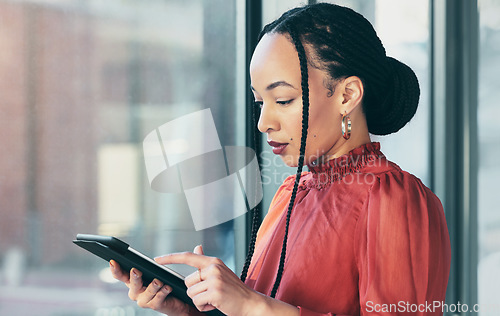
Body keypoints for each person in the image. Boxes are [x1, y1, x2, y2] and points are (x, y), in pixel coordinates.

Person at [110, 3, 451, 315]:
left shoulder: (394, 199)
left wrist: (253, 305)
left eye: (284, 99)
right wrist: (189, 308)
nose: (263, 123)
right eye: (260, 102)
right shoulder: (289, 194)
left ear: (346, 95)